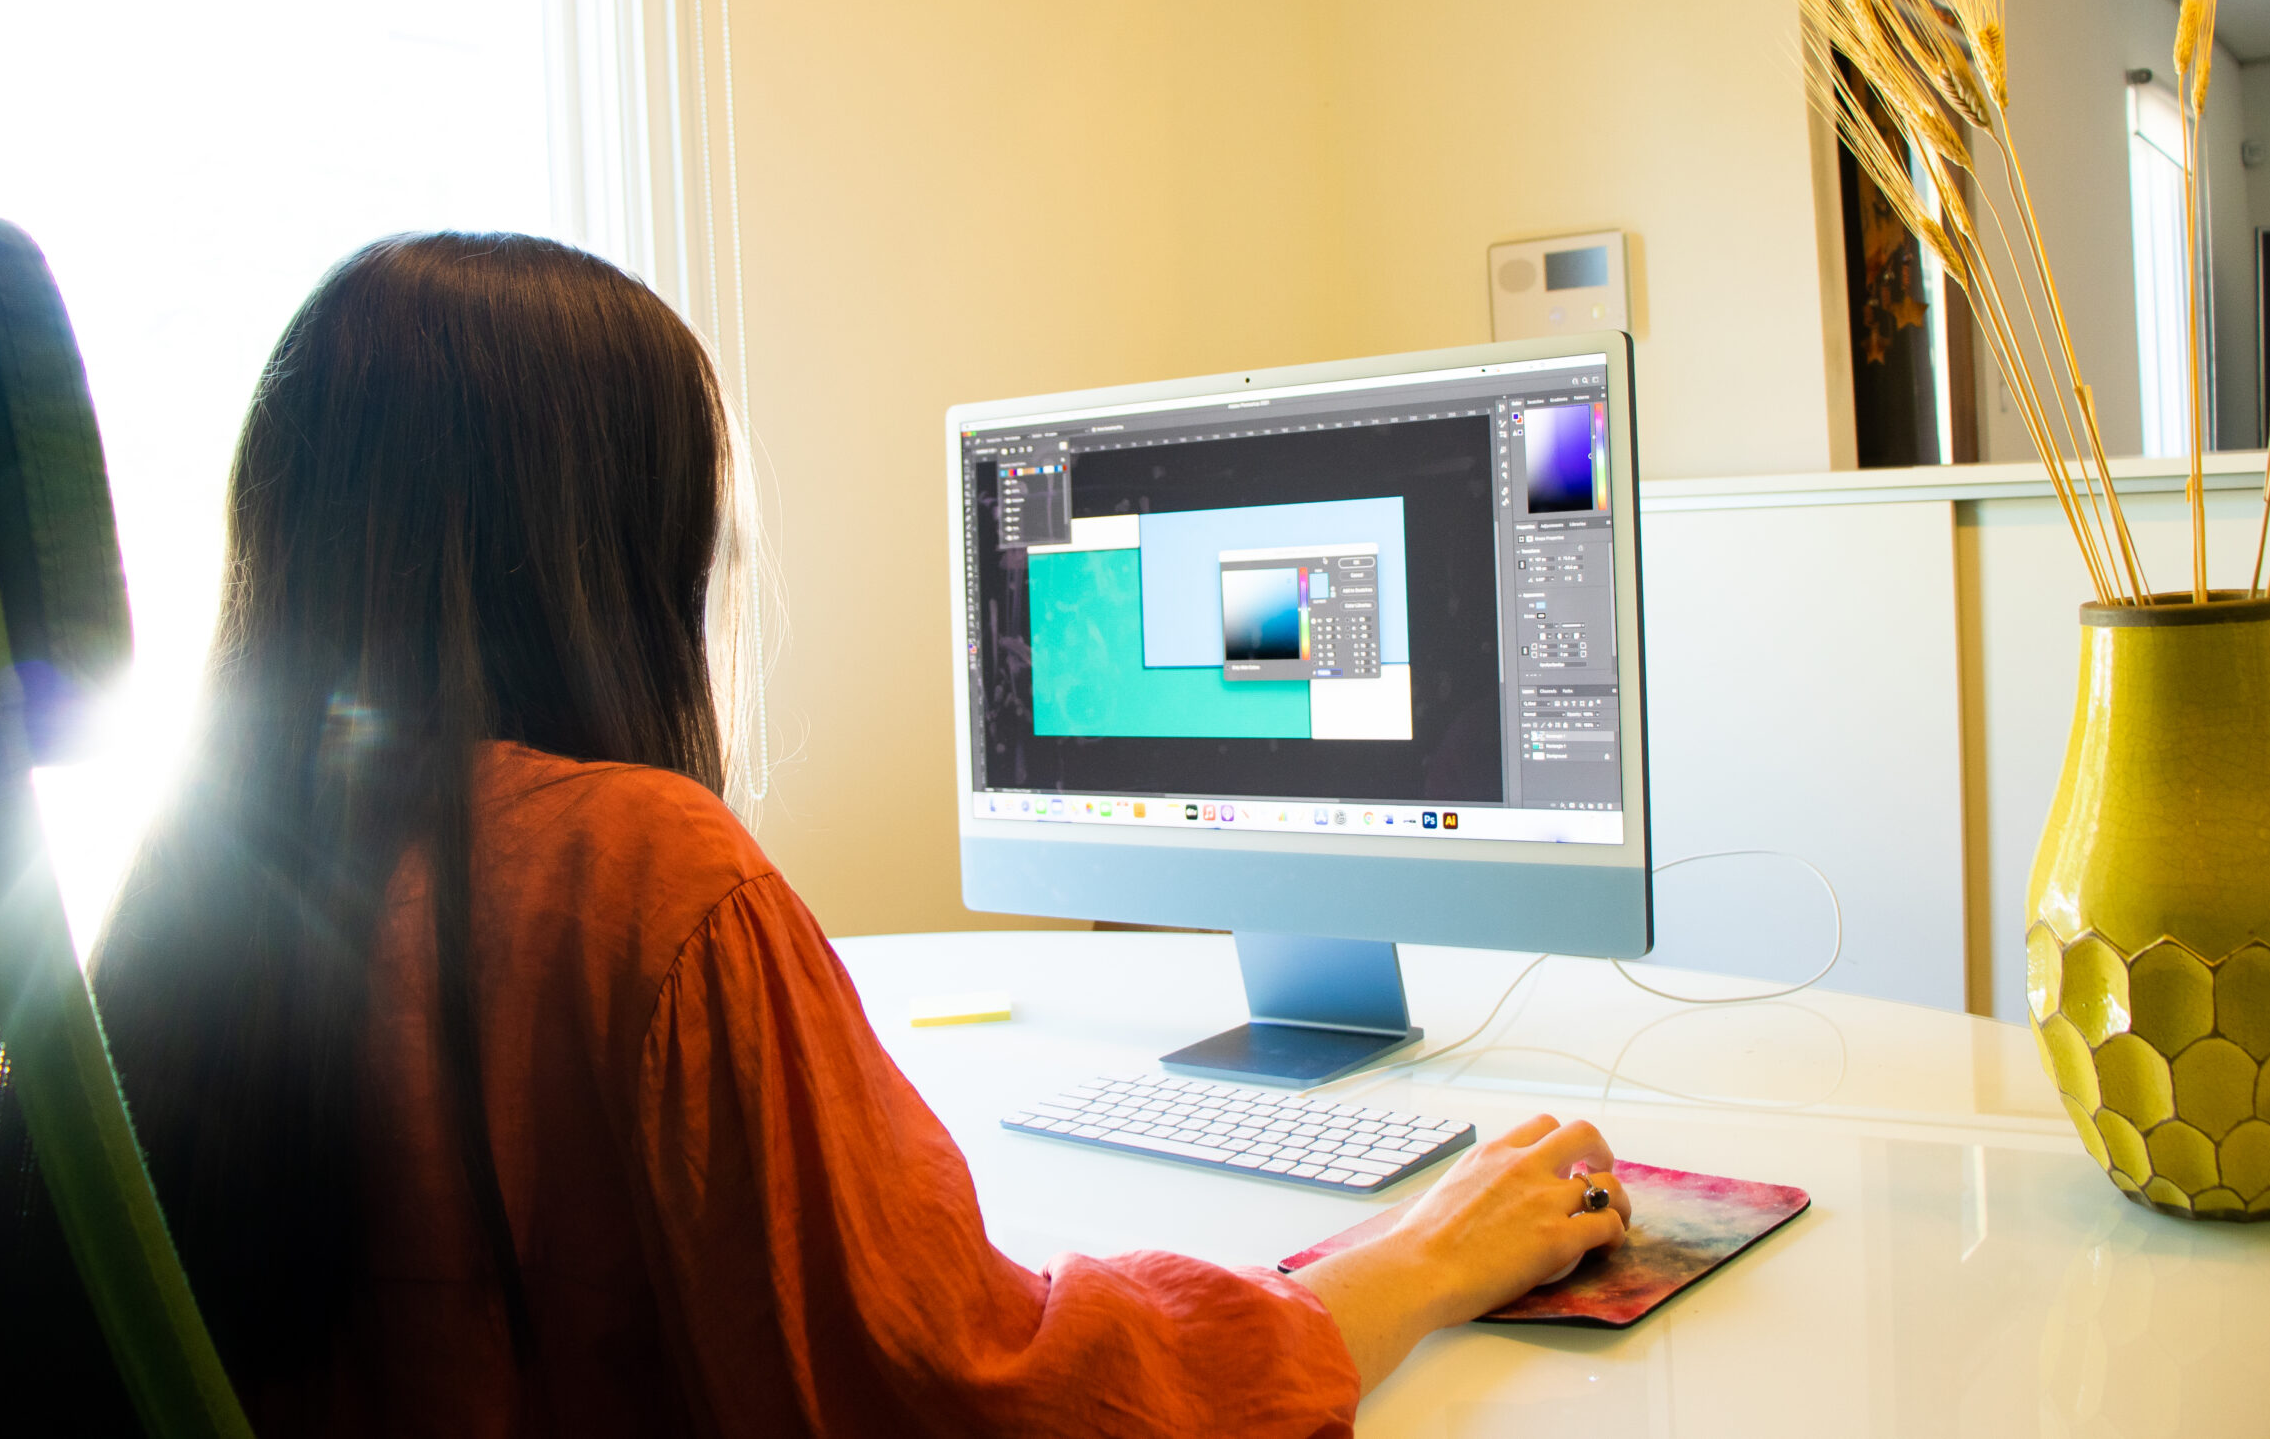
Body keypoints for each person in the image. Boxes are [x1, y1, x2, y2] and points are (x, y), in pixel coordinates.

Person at [91, 232, 1632, 1437]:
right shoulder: (641, 877)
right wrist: (1421, 1261)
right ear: (607, 550)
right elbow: (978, 1405)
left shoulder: (193, 871)